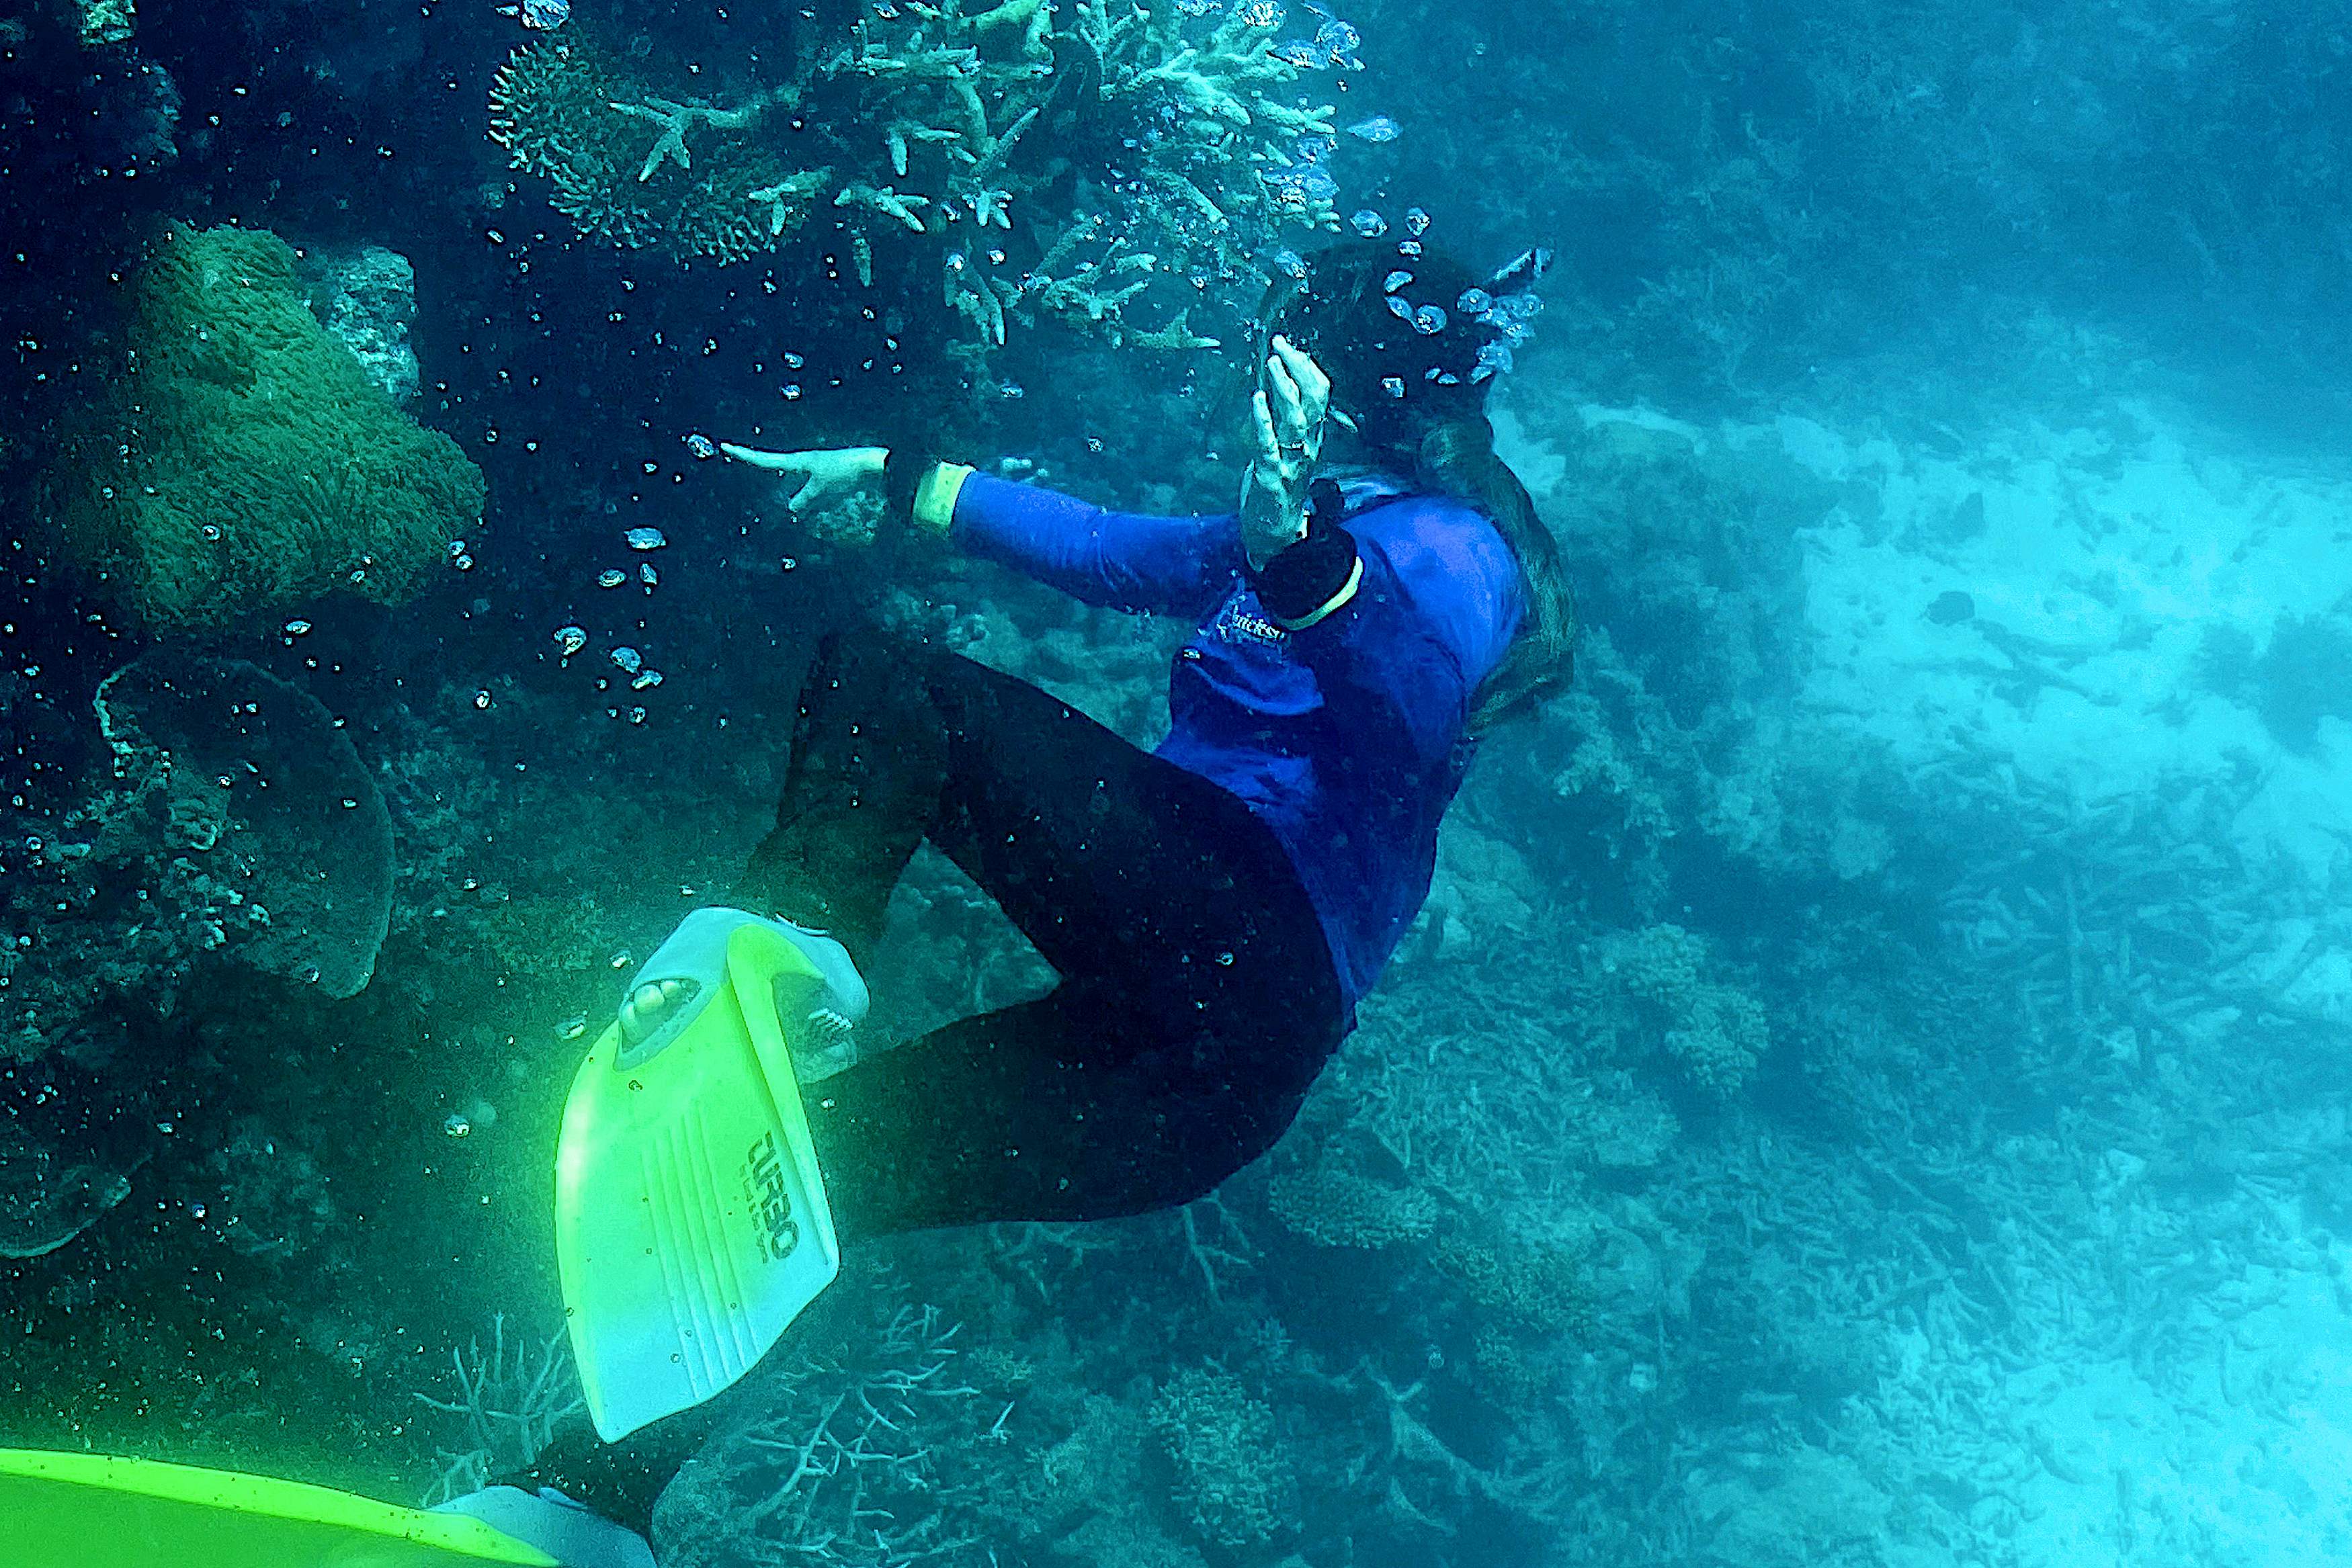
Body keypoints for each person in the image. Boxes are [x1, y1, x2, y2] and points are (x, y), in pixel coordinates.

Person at [510, 240, 1576, 1555]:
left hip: (1248, 941)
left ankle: (781, 960)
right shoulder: (1301, 517)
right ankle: (586, 1499)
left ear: (1345, 387)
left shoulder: (1459, 553)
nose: (1257, 369)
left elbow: (1411, 714)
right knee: (799, 1174)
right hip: (1203, 1071)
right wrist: (903, 484)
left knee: (894, 688)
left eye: (1281, 349)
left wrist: (1295, 561)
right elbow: (1109, 552)